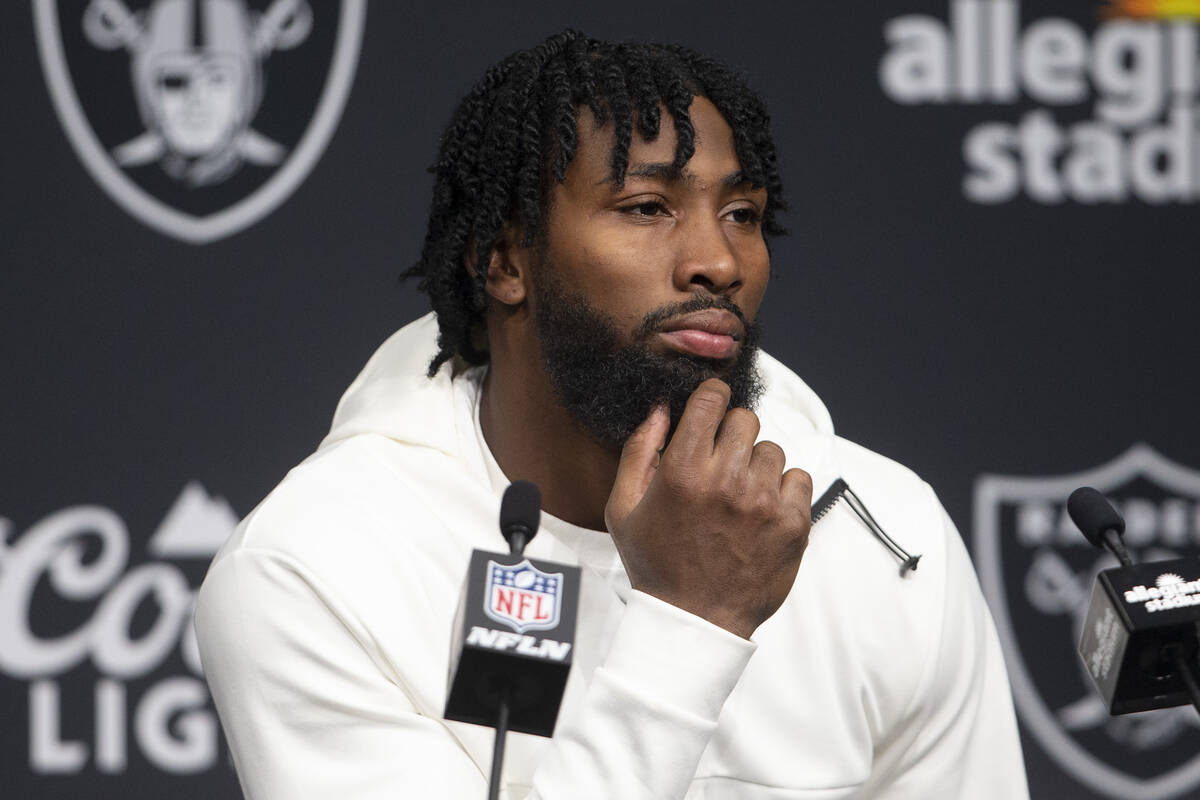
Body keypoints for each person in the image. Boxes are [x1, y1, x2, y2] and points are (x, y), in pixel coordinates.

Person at [195, 29, 1029, 799]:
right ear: (504, 260)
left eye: (741, 215)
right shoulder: (314, 567)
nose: (717, 261)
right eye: (647, 208)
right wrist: (693, 621)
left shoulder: (883, 533)